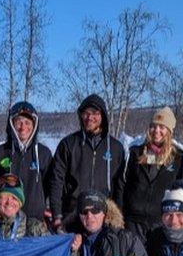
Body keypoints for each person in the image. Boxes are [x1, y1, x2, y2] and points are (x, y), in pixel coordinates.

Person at [47, 94, 126, 232]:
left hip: (103, 215)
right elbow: (56, 182)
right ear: (81, 115)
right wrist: (57, 215)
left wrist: (118, 217)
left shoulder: (115, 148)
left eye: (95, 113)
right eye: (86, 113)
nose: (90, 117)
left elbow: (119, 187)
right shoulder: (68, 144)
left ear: (103, 116)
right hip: (73, 214)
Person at [122, 107, 183, 241]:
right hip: (133, 222)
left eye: (162, 127)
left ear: (169, 130)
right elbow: (124, 185)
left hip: (161, 224)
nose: (156, 131)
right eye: (153, 126)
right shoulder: (136, 153)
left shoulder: (180, 158)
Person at [0, 101, 53, 222]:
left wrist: (48, 208)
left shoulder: (44, 153)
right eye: (18, 122)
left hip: (35, 219)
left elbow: (50, 186)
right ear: (11, 124)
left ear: (34, 126)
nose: (23, 127)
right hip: (6, 219)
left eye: (27, 123)